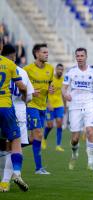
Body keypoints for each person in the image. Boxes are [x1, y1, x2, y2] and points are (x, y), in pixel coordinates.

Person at [0, 43, 34, 192]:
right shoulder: (17, 69)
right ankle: (12, 177)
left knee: (6, 147)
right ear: (14, 55)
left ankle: (5, 182)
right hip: (11, 109)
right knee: (15, 143)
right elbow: (26, 92)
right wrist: (26, 97)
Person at [62, 48, 93, 171]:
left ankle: (90, 163)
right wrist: (65, 94)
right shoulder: (71, 72)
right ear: (75, 57)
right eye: (77, 56)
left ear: (86, 56)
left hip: (89, 103)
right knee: (75, 138)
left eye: (82, 55)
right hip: (75, 104)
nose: (79, 57)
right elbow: (63, 88)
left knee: (90, 131)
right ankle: (74, 153)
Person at [23, 43, 54, 175]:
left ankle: (11, 147)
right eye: (44, 52)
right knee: (39, 134)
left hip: (42, 106)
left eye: (47, 52)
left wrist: (50, 92)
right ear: (36, 53)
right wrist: (30, 92)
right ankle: (38, 168)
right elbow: (19, 87)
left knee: (32, 138)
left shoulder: (50, 69)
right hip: (30, 106)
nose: (47, 54)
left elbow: (49, 86)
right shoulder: (27, 69)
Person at [42, 63, 65, 152]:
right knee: (50, 125)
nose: (60, 71)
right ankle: (44, 139)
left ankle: (58, 145)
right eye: (59, 69)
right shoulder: (51, 79)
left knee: (59, 123)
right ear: (56, 69)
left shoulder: (63, 80)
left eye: (62, 70)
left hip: (59, 105)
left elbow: (63, 93)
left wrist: (65, 105)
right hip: (50, 105)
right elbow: (45, 92)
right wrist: (48, 103)